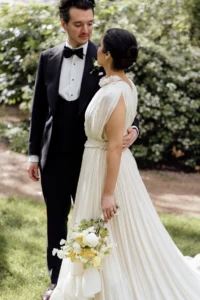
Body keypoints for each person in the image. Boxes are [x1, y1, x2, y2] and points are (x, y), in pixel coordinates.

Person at [50, 28, 200, 300]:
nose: (96, 48)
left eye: (101, 47)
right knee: (98, 228)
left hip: (107, 169)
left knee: (109, 227)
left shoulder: (114, 94)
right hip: (96, 163)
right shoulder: (119, 85)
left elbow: (114, 147)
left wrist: (108, 193)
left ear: (107, 55)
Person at [27, 1, 139, 299]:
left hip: (92, 160)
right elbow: (39, 109)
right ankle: (57, 281)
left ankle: (97, 282)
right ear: (63, 23)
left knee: (93, 220)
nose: (86, 30)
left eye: (90, 23)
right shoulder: (47, 58)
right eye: (78, 24)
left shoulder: (105, 56)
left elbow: (122, 98)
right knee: (56, 219)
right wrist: (33, 154)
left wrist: (134, 129)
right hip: (54, 156)